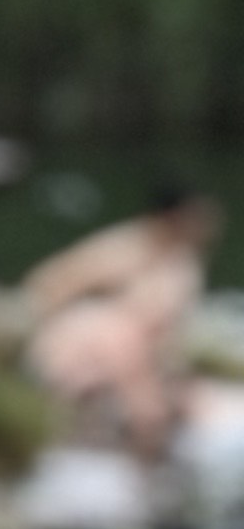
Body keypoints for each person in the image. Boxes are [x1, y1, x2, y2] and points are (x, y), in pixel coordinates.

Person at [21, 189, 222, 461]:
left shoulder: (183, 262)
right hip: (102, 354)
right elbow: (49, 285)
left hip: (144, 362)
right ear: (173, 217)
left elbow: (170, 332)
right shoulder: (124, 248)